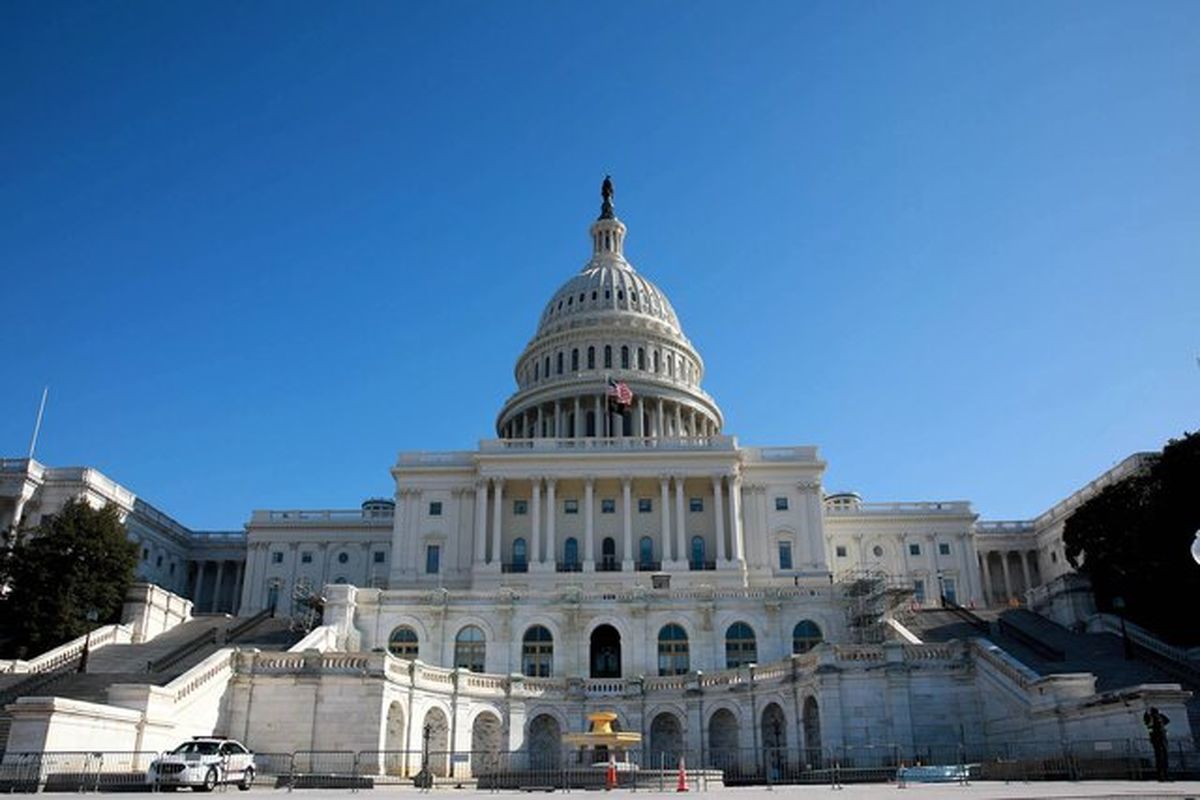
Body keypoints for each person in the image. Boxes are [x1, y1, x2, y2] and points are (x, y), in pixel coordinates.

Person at [1143, 706, 1170, 781]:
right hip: (1158, 739)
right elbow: (1147, 724)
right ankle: (1162, 775)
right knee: (1161, 757)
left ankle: (1164, 775)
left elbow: (1167, 720)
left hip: (1160, 738)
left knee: (1162, 757)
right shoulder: (1152, 717)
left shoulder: (1155, 717)